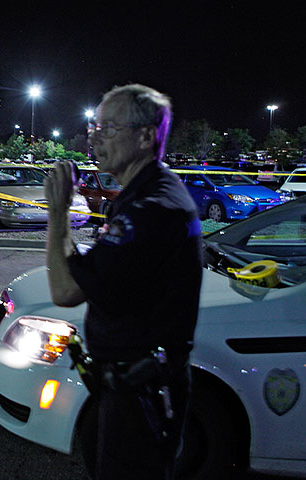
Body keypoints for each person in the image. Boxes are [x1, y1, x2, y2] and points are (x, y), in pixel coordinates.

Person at [44, 84, 203, 480]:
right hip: (127, 388)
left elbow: (64, 291)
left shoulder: (151, 209)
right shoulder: (137, 197)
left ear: (146, 136)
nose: (94, 136)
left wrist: (58, 213)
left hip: (142, 395)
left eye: (109, 128)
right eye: (95, 126)